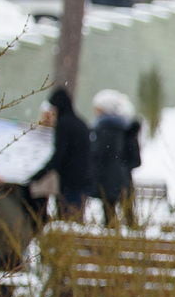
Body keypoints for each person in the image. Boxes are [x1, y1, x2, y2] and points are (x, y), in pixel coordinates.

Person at [90, 90, 143, 229]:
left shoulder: (105, 129)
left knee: (109, 219)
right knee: (128, 217)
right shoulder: (127, 128)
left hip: (108, 180)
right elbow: (135, 159)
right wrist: (123, 168)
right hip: (124, 180)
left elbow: (99, 155)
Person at [40, 86, 92, 222]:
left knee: (67, 217)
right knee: (75, 216)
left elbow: (59, 154)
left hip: (69, 178)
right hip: (82, 176)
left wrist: (41, 173)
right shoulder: (80, 122)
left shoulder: (63, 124)